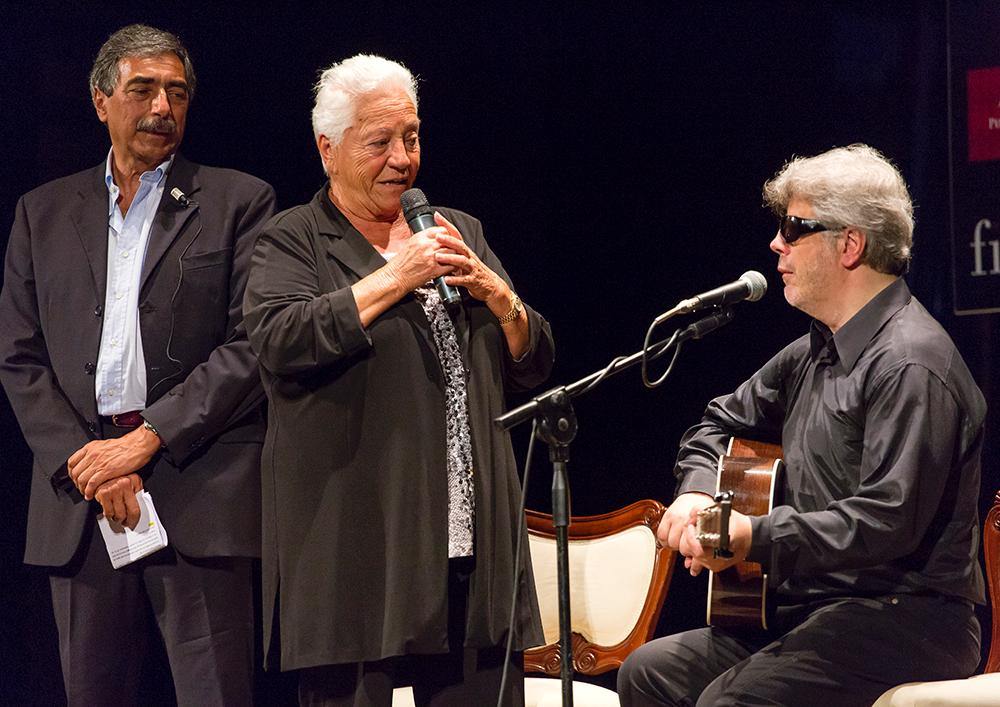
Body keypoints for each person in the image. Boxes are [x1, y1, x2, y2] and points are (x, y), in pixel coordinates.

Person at [618, 144, 986, 706]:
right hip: (806, 609)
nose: (776, 244)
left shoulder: (912, 361)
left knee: (733, 701)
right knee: (649, 672)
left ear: (850, 244)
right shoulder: (812, 352)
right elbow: (718, 421)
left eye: (794, 228)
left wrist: (754, 536)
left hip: (906, 615)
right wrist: (695, 494)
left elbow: (888, 520)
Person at [243, 54, 554, 706]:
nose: (402, 158)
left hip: (468, 540)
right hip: (360, 545)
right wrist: (394, 276)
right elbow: (279, 339)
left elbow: (533, 361)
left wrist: (501, 295)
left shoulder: (455, 229)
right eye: (379, 141)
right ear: (327, 149)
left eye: (411, 137)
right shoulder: (292, 240)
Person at [0, 24, 275, 705]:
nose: (161, 107)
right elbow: (19, 357)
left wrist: (145, 439)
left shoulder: (241, 202)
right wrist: (89, 461)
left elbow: (251, 346)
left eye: (177, 93)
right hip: (83, 501)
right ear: (101, 101)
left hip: (198, 487)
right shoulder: (42, 212)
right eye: (143, 89)